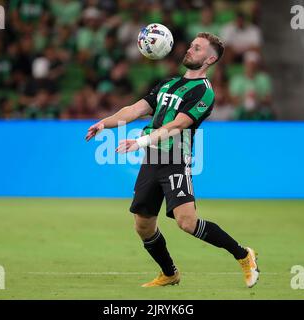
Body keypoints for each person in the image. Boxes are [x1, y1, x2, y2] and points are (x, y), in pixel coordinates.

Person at [86, 32, 259, 288]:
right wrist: (105, 123)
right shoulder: (167, 84)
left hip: (175, 158)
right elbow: (135, 109)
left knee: (187, 222)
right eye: (191, 46)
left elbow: (179, 124)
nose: (189, 50)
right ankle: (170, 273)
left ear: (210, 59)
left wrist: (141, 141)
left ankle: (243, 255)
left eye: (197, 48)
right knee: (143, 225)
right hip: (152, 159)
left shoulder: (204, 91)